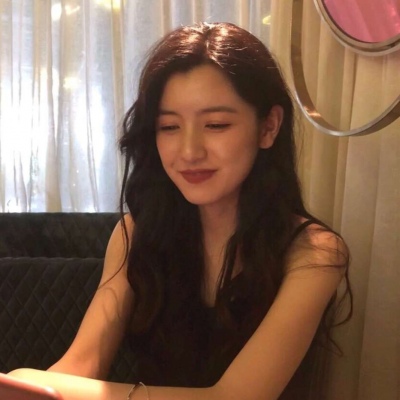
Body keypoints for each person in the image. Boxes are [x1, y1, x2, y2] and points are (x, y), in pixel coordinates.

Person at [9, 22, 352, 400]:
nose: (189, 151)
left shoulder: (314, 253)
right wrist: (31, 390)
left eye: (216, 124)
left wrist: (45, 384)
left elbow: (235, 398)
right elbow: (81, 364)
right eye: (169, 127)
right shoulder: (136, 233)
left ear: (268, 127)